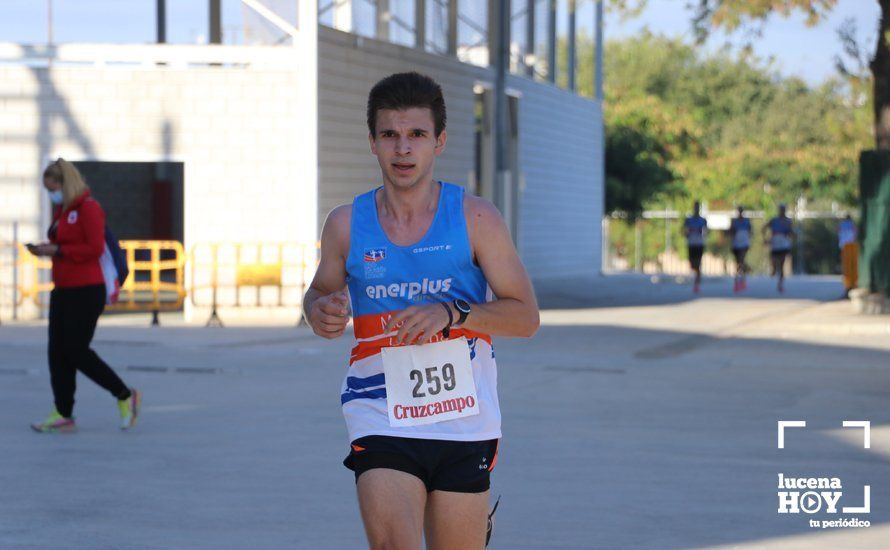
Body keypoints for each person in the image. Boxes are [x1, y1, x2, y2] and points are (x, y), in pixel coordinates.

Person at [302, 72, 539, 549]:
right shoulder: (346, 224)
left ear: (440, 142)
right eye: (390, 135)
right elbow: (318, 296)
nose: (403, 149)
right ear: (373, 142)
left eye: (417, 135)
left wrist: (454, 313)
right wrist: (320, 311)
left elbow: (524, 317)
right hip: (379, 410)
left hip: (464, 417)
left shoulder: (476, 218)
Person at [28, 159, 141, 433]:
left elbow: (92, 248)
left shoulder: (89, 209)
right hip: (63, 290)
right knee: (57, 352)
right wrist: (47, 248)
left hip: (86, 290)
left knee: (76, 351)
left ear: (66, 184)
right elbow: (65, 243)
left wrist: (58, 251)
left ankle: (125, 395)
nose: (50, 194)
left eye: (52, 188)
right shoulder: (63, 211)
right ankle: (63, 413)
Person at [763, 204, 795, 293]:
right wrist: (765, 239)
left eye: (783, 210)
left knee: (781, 265)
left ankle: (780, 284)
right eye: (781, 209)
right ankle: (773, 269)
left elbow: (791, 232)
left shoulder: (788, 221)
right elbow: (764, 228)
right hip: (775, 244)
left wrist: (793, 235)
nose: (782, 211)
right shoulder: (774, 220)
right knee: (773, 261)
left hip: (784, 244)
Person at [683, 202, 707, 293]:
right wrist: (688, 234)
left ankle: (697, 283)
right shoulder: (688, 220)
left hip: (699, 243)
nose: (696, 209)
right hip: (691, 243)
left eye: (698, 207)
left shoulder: (703, 220)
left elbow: (706, 231)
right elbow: (685, 231)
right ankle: (697, 277)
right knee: (692, 264)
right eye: (695, 207)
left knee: (698, 263)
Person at [728, 206, 751, 293]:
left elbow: (750, 232)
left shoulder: (747, 221)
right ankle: (740, 279)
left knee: (741, 260)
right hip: (736, 244)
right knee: (738, 263)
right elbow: (731, 232)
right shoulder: (734, 221)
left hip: (744, 244)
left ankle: (739, 280)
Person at [838, 214, 858, 298]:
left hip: (844, 247)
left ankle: (848, 287)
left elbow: (838, 232)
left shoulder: (841, 224)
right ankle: (852, 286)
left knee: (846, 268)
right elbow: (855, 233)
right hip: (852, 247)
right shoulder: (853, 225)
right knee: (852, 267)